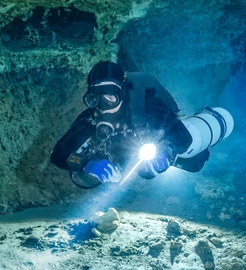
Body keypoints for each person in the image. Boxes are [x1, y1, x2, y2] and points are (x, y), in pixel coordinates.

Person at [50, 61, 209, 188]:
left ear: (122, 93)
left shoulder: (148, 106)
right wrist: (87, 164)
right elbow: (58, 154)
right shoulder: (91, 117)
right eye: (94, 99)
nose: (103, 108)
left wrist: (167, 151)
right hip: (127, 151)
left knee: (195, 163)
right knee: (139, 170)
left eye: (110, 98)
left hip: (152, 141)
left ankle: (179, 155)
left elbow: (183, 137)